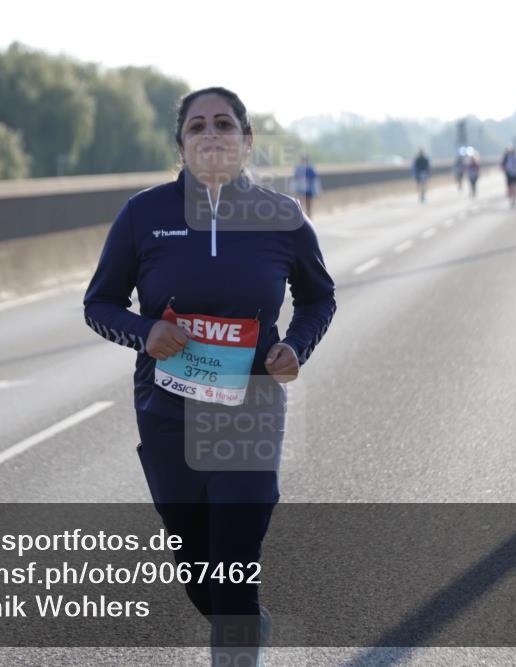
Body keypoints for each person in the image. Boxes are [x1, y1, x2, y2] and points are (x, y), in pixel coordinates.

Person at [83, 86, 336, 666]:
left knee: (235, 559)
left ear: (246, 142)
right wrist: (144, 333)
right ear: (181, 146)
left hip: (251, 406)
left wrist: (297, 346)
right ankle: (244, 617)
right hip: (168, 408)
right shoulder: (144, 214)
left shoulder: (282, 218)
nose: (211, 134)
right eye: (197, 127)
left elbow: (319, 299)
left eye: (225, 124)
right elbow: (99, 305)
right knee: (202, 575)